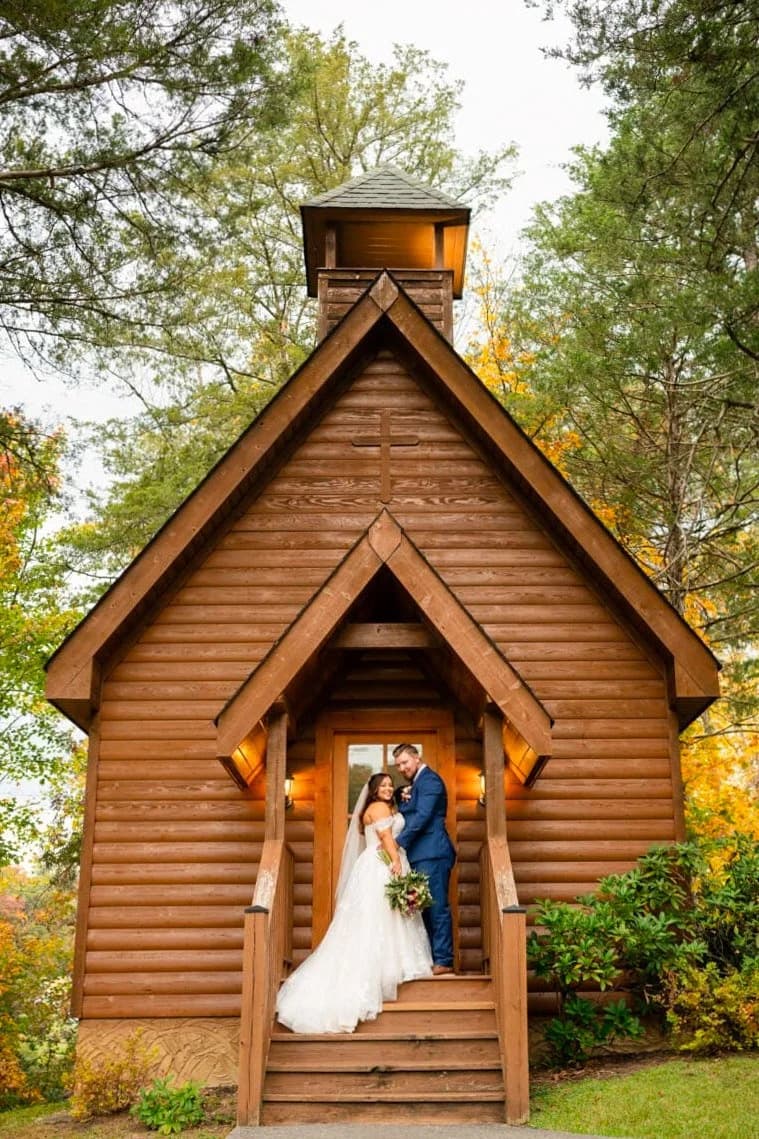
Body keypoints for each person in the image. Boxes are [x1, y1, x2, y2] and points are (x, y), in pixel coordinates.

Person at [275, 772, 432, 1034]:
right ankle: (388, 969)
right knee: (384, 914)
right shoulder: (380, 807)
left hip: (376, 862)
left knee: (382, 915)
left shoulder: (380, 807)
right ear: (372, 789)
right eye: (383, 785)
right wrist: (395, 862)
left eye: (390, 784)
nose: (388, 788)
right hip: (383, 863)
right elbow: (386, 838)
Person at [394, 743, 456, 975]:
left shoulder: (430, 780)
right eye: (398, 764)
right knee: (425, 908)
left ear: (417, 758)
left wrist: (398, 842)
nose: (401, 768)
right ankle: (432, 958)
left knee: (437, 906)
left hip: (433, 852)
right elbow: (411, 813)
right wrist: (404, 796)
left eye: (405, 762)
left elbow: (422, 817)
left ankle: (443, 960)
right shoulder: (416, 784)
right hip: (420, 855)